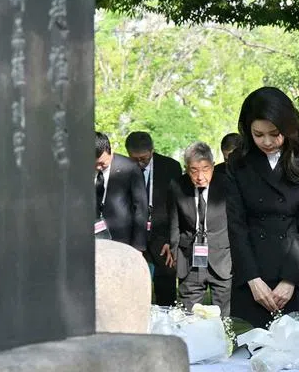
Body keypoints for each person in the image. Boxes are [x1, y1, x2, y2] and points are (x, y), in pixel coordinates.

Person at [224, 87, 299, 328]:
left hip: (297, 274)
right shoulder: (238, 163)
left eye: (275, 134)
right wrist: (252, 279)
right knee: (248, 356)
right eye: (258, 134)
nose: (267, 142)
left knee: (298, 356)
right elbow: (236, 225)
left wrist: (289, 280)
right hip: (252, 275)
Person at [169, 142, 232, 315]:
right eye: (194, 170)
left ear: (213, 166)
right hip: (189, 260)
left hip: (222, 260)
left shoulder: (228, 185)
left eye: (205, 169)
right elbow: (175, 223)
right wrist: (175, 252)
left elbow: (238, 224)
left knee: (224, 320)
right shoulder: (177, 186)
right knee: (188, 318)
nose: (200, 176)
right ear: (186, 169)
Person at [125, 131, 183, 306]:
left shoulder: (170, 166)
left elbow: (176, 206)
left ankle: (167, 321)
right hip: (134, 235)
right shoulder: (124, 168)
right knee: (133, 284)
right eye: (135, 159)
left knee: (166, 283)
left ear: (152, 150)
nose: (140, 163)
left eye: (143, 158)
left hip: (162, 234)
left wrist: (171, 239)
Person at [94, 132, 148, 251]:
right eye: (94, 164)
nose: (98, 167)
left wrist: (138, 246)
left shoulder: (130, 168)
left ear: (110, 151)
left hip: (121, 240)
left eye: (102, 163)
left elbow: (140, 208)